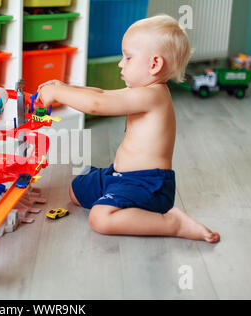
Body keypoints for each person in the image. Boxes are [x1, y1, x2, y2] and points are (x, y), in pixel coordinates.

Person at [36, 15, 220, 243]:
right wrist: (62, 87)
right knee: (77, 190)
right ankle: (117, 199)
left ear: (154, 64)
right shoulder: (143, 90)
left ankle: (172, 223)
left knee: (100, 218)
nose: (121, 63)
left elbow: (97, 105)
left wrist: (57, 94)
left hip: (148, 184)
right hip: (120, 176)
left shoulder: (153, 96)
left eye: (128, 57)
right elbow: (100, 94)